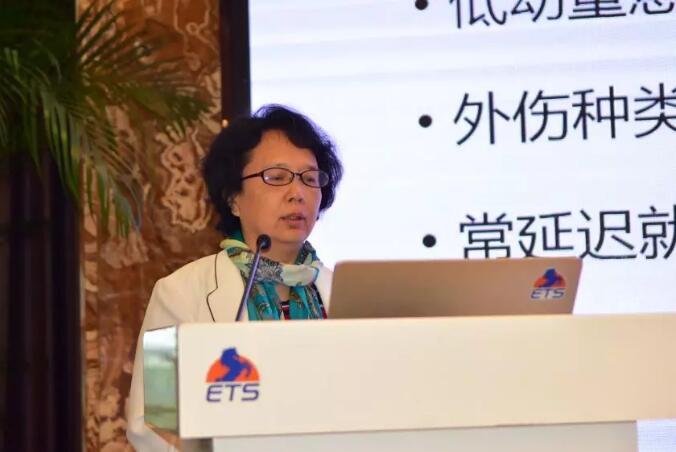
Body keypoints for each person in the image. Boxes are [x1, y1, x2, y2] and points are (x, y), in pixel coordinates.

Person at [126, 105, 343, 450]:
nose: (297, 193)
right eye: (276, 177)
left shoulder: (345, 294)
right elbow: (155, 418)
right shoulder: (179, 293)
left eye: (309, 178)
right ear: (233, 198)